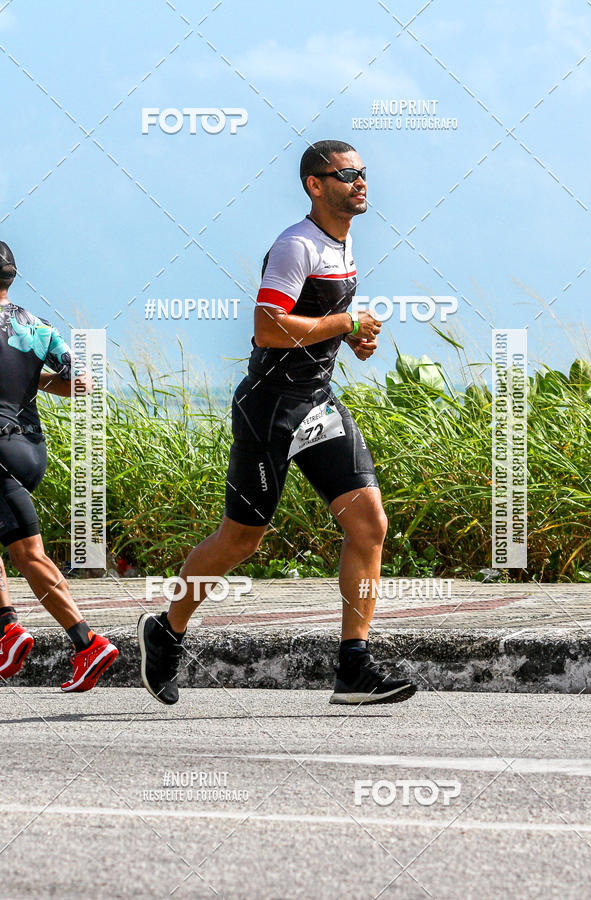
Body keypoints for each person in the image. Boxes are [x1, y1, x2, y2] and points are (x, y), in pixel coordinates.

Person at [138, 140, 416, 706]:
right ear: (316, 184)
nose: (361, 182)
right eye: (347, 175)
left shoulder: (344, 243)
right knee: (242, 539)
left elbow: (314, 327)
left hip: (317, 403)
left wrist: (352, 339)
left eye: (364, 173)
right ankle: (166, 633)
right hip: (269, 409)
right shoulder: (296, 246)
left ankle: (353, 668)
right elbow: (268, 328)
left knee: (369, 525)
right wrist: (343, 321)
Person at [0, 241, 118, 691]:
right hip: (29, 452)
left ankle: (87, 643)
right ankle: (7, 632)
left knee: (29, 554)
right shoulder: (36, 325)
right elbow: (78, 381)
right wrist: (30, 379)